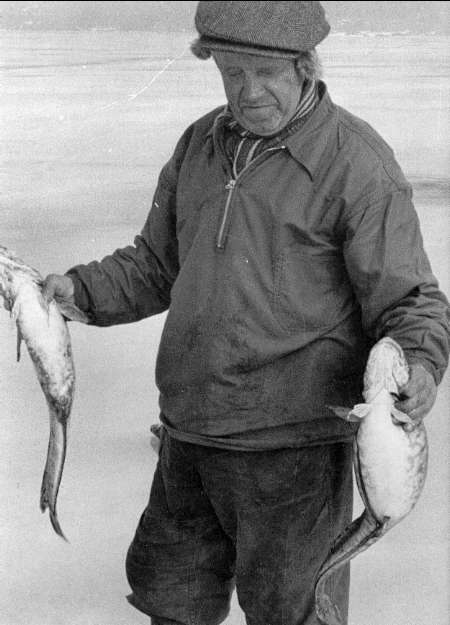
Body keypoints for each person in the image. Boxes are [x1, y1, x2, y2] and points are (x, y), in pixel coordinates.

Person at [42, 2, 449, 624]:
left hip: (294, 453)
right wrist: (80, 290)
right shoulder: (200, 144)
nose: (247, 92)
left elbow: (410, 301)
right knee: (172, 606)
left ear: (305, 67)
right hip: (189, 435)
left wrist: (418, 363)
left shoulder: (356, 164)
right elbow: (155, 264)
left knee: (294, 615)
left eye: (265, 73)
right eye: (232, 72)